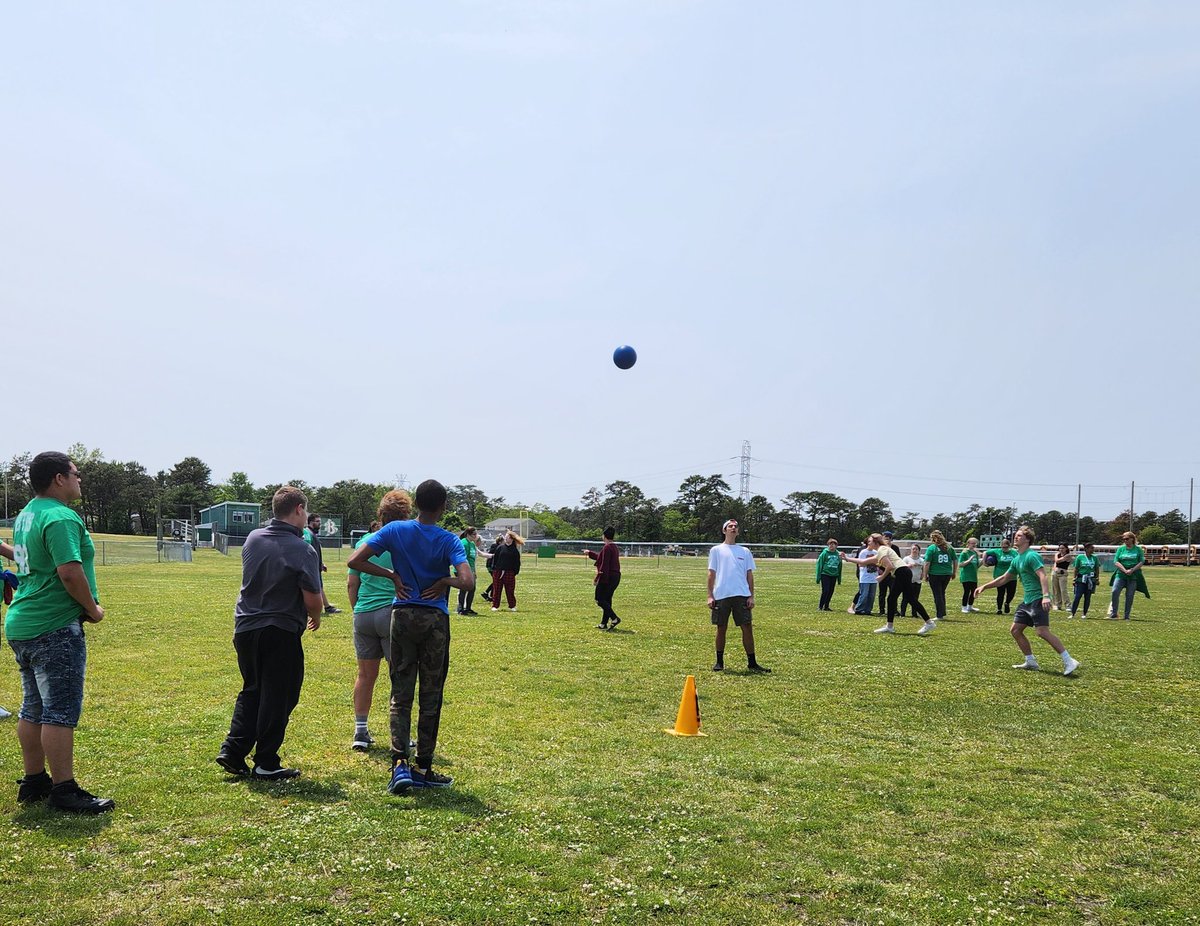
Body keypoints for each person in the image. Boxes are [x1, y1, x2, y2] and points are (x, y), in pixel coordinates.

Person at [346, 479, 473, 793]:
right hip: (434, 621)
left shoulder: (393, 531)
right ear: (443, 508)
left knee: (400, 692)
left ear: (415, 503)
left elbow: (355, 561)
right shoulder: (448, 540)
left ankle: (399, 765)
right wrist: (445, 580)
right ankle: (425, 767)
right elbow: (467, 582)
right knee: (431, 694)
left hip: (400, 615)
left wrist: (391, 574)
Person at [6, 452, 113, 813]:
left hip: (22, 623)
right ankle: (64, 790)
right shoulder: (60, 517)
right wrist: (92, 608)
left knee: (33, 706)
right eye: (76, 474)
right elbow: (69, 571)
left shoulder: (27, 514)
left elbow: (29, 562)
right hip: (53, 625)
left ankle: (35, 781)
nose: (79, 480)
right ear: (58, 479)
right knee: (59, 710)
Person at [217, 486, 323, 781]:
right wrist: (315, 617)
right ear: (299, 509)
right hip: (280, 629)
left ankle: (233, 751)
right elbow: (312, 599)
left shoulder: (253, 538)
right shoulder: (303, 548)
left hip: (246, 627)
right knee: (281, 695)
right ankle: (266, 761)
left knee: (253, 690)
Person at [346, 492, 411, 751]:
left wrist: (357, 611)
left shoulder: (365, 541)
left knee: (365, 675)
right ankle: (401, 735)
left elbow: (352, 583)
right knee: (399, 677)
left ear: (380, 515)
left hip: (363, 614)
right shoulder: (404, 543)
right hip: (392, 614)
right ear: (406, 515)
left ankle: (360, 732)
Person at [975, 525, 1079, 676]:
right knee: (1015, 630)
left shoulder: (1032, 556)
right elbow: (1005, 578)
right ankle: (1030, 661)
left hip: (1037, 598)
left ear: (1027, 539)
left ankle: (1069, 660)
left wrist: (1045, 596)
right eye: (1015, 535)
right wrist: (985, 586)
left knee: (1042, 632)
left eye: (1019, 535)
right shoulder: (1017, 559)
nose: (1015, 537)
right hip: (1027, 600)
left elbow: (1042, 575)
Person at [707, 519, 769, 673]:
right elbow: (711, 574)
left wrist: (751, 596)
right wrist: (710, 595)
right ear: (724, 530)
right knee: (721, 628)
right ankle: (719, 662)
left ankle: (752, 662)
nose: (733, 528)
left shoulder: (745, 551)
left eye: (735, 527)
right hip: (722, 594)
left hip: (741, 594)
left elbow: (749, 575)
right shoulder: (716, 550)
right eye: (730, 526)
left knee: (747, 627)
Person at [844, 532, 934, 635]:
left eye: (870, 541)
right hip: (904, 572)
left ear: (875, 542)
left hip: (901, 572)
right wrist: (847, 558)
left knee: (898, 599)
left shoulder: (882, 550)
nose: (868, 544)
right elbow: (863, 561)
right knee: (905, 599)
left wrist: (882, 577)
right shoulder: (880, 552)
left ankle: (893, 626)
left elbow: (890, 566)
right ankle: (894, 626)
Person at [584, 527, 622, 629]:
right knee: (607, 600)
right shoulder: (614, 547)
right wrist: (590, 553)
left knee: (599, 599)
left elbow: (604, 564)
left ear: (604, 536)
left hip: (608, 576)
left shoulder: (607, 547)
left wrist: (598, 578)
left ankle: (614, 618)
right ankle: (603, 623)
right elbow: (601, 558)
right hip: (616, 576)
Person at [304, 513, 342, 614]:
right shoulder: (307, 534)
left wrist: (321, 563)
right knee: (316, 587)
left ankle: (327, 607)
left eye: (320, 522)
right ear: (311, 522)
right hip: (311, 566)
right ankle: (325, 607)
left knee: (319, 586)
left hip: (315, 566)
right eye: (317, 522)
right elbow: (308, 551)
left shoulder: (312, 534)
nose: (320, 524)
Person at [1109, 531, 1148, 620]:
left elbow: (1141, 561)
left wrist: (1132, 570)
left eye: (1127, 539)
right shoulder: (1121, 549)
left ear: (1132, 539)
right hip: (1121, 574)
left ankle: (1127, 615)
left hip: (1133, 575)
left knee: (1129, 595)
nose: (1125, 541)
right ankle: (1114, 613)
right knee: (1115, 591)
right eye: (1124, 539)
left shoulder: (1138, 549)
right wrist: (1124, 570)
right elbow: (1116, 561)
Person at [923, 530, 958, 621]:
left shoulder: (932, 548)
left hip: (935, 574)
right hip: (946, 574)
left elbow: (927, 563)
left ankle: (940, 615)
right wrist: (954, 572)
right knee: (942, 593)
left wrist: (925, 574)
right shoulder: (949, 548)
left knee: (937, 594)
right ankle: (942, 612)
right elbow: (955, 560)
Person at [490, 531, 523, 612]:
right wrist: (494, 569)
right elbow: (495, 559)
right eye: (505, 536)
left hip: (509, 572)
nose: (505, 538)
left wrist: (514, 572)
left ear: (511, 539)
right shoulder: (500, 547)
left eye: (507, 537)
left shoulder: (514, 550)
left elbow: (517, 563)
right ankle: (495, 606)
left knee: (510, 590)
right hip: (498, 572)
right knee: (497, 589)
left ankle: (512, 606)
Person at [984, 538, 1018, 614]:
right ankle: (999, 609)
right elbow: (985, 552)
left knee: (1011, 593)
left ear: (1009, 546)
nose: (1004, 549)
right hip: (999, 576)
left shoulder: (1014, 552)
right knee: (1000, 593)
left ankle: (1007, 603)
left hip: (1012, 576)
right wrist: (984, 562)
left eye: (1006, 547)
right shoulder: (997, 551)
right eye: (1003, 547)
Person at [846, 536, 878, 615]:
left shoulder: (876, 552)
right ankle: (859, 609)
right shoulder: (863, 552)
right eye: (869, 541)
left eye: (872, 541)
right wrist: (870, 562)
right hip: (865, 577)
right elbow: (861, 564)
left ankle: (868, 610)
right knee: (864, 594)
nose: (871, 543)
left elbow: (878, 563)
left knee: (871, 595)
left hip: (874, 577)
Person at [1069, 542, 1099, 619]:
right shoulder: (1080, 557)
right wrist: (1074, 578)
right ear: (1086, 549)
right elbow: (1076, 568)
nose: (1093, 549)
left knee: (1087, 597)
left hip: (1090, 580)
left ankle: (1084, 613)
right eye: (1091, 548)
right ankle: (1072, 613)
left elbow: (1097, 569)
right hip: (1080, 579)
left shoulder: (1094, 558)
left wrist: (1097, 578)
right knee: (1077, 596)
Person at [456, 527, 482, 616]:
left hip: (470, 570)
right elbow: (463, 559)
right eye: (474, 534)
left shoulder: (471, 544)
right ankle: (460, 609)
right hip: (462, 569)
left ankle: (468, 608)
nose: (476, 536)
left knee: (472, 588)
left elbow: (473, 559)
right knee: (463, 589)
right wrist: (466, 571)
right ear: (468, 534)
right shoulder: (464, 543)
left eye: (476, 534)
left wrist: (474, 571)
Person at [814, 538, 842, 611]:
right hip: (825, 574)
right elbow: (819, 565)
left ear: (836, 546)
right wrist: (818, 577)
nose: (832, 546)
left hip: (834, 575)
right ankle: (820, 606)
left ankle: (826, 606)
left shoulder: (838, 554)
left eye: (834, 544)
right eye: (830, 544)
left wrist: (839, 578)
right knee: (825, 590)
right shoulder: (824, 553)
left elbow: (840, 566)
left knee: (831, 591)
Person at [958, 537, 981, 614]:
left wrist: (983, 561)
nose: (974, 545)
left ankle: (970, 606)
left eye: (975, 543)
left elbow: (977, 565)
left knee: (974, 591)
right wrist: (969, 560)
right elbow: (960, 565)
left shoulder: (975, 553)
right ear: (968, 544)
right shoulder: (964, 553)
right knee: (967, 591)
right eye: (972, 543)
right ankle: (964, 607)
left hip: (973, 576)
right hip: (966, 576)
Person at [900, 544, 923, 617]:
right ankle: (902, 613)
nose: (914, 550)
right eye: (913, 549)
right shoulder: (906, 559)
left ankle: (914, 613)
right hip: (908, 581)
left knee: (915, 598)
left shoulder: (921, 560)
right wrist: (909, 565)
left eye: (916, 549)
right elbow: (901, 567)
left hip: (917, 581)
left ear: (919, 551)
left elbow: (923, 569)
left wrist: (922, 575)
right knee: (905, 598)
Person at [876, 530, 896, 616]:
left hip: (891, 573)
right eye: (884, 538)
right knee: (882, 593)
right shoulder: (880, 548)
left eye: (888, 539)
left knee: (893, 593)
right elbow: (876, 559)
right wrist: (878, 568)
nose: (886, 540)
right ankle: (881, 610)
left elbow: (896, 560)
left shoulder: (895, 548)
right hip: (882, 572)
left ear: (891, 539)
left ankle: (894, 610)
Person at [1050, 543, 1072, 611]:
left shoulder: (1068, 555)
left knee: (1063, 590)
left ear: (1066, 549)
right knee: (1056, 590)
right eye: (1060, 548)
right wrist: (1054, 570)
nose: (1061, 550)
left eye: (1063, 548)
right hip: (1055, 573)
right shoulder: (1057, 554)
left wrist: (1056, 557)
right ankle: (1057, 605)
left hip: (1062, 574)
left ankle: (1068, 605)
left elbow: (1057, 561)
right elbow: (1055, 563)